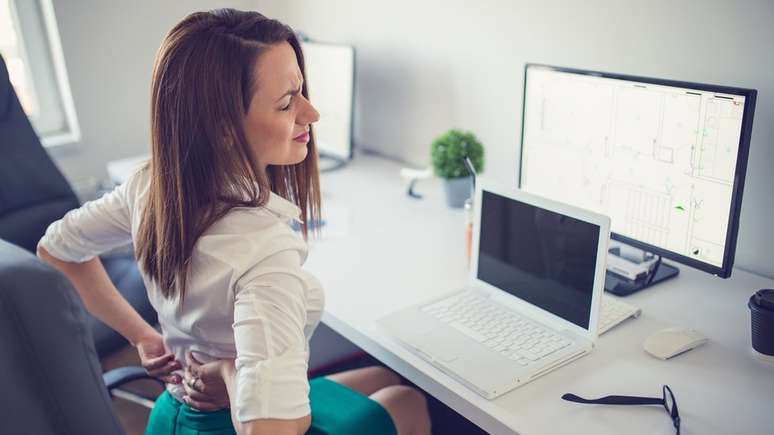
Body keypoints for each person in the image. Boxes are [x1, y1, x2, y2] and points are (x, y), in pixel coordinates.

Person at [37, 8, 431, 435]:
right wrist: (229, 374)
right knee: (406, 400)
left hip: (172, 414)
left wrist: (145, 339)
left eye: (301, 91)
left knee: (381, 377)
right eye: (286, 103)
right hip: (223, 419)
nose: (311, 113)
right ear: (223, 128)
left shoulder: (153, 183)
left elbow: (56, 249)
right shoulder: (262, 255)